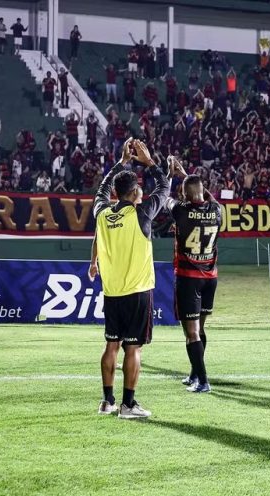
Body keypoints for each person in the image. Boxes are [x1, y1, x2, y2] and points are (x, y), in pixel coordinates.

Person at [93, 138, 171, 419]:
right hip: (137, 291)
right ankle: (128, 405)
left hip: (112, 292)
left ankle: (107, 402)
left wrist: (122, 161)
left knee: (111, 345)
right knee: (133, 347)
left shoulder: (101, 213)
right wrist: (149, 162)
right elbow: (164, 188)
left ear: (116, 191)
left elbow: (102, 189)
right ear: (136, 191)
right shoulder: (142, 213)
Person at [165, 158, 221, 393]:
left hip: (188, 278)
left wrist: (171, 176)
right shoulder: (217, 210)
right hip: (210, 277)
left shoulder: (181, 210)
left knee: (191, 332)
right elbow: (201, 193)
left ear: (185, 196)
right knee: (199, 329)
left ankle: (203, 381)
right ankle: (194, 374)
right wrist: (186, 176)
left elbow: (162, 198)